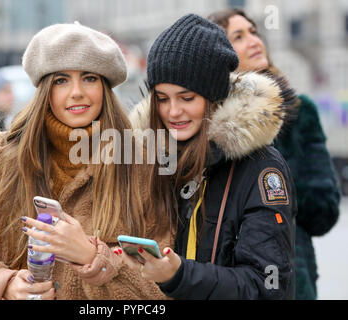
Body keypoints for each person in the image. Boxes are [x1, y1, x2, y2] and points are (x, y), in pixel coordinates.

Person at [0, 22, 174, 300]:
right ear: (44, 90)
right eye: (61, 80)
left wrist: (93, 257)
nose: (77, 92)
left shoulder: (143, 164)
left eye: (89, 78)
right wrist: (3, 284)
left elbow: (159, 286)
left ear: (105, 88)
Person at [126, 13, 297, 299]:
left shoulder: (263, 168)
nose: (173, 112)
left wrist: (179, 275)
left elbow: (269, 285)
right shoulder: (153, 161)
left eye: (187, 98)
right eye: (162, 98)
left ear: (213, 96)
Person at [208, 8, 341, 300]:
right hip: (225, 280)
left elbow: (324, 212)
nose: (254, 41)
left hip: (293, 280)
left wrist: (277, 177)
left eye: (254, 32)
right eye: (238, 36)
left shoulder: (298, 111)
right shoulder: (206, 120)